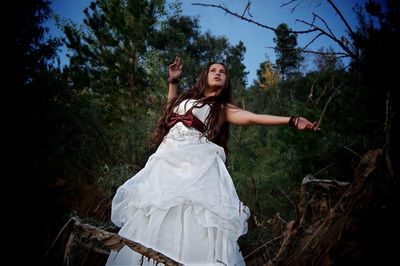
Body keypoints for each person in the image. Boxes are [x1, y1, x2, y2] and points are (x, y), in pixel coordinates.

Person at [106, 56, 319, 266]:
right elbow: (170, 111)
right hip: (168, 158)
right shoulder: (186, 98)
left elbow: (253, 117)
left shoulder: (223, 108)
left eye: (222, 71)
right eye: (213, 70)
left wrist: (291, 120)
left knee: (193, 213)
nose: (217, 73)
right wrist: (173, 82)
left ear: (226, 81)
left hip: (197, 163)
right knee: (156, 209)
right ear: (205, 76)